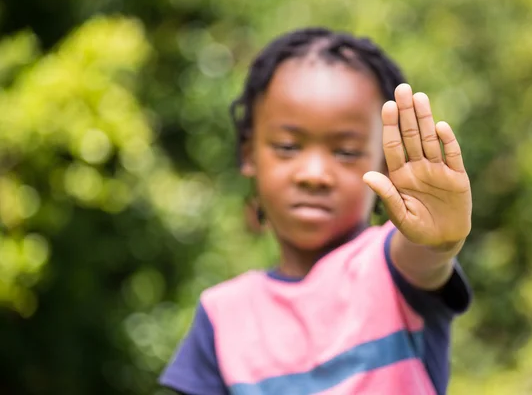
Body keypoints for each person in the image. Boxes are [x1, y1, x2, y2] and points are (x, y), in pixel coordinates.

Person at [159, 27, 473, 395]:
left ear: (386, 162)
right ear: (249, 153)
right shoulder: (222, 317)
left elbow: (425, 256)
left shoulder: (391, 266)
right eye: (288, 146)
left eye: (345, 151)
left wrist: (442, 240)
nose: (314, 175)